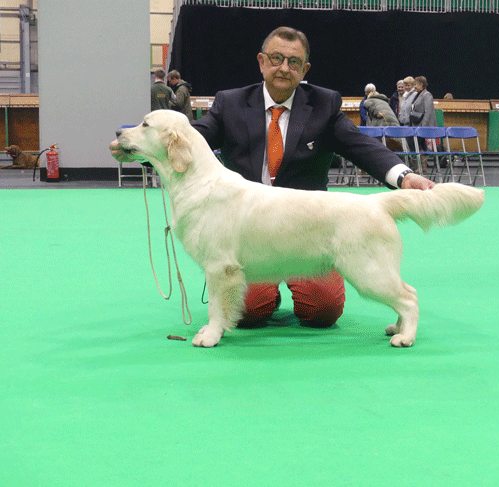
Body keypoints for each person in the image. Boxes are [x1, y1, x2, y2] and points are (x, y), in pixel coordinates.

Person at [112, 26, 433, 329]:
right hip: (248, 235)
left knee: (323, 312)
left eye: (294, 62)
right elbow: (190, 139)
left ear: (305, 70)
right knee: (249, 313)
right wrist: (140, 146)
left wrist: (403, 176)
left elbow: (361, 146)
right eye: (276, 59)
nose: (284, 68)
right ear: (262, 62)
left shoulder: (324, 104)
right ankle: (261, 291)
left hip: (308, 231)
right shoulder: (231, 103)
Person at [409, 76, 437, 172]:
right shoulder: (417, 94)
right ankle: (422, 166)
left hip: (423, 126)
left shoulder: (427, 95)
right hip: (417, 125)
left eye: (415, 84)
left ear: (421, 84)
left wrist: (423, 126)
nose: (414, 86)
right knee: (420, 145)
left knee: (419, 144)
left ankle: (423, 166)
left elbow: (428, 111)